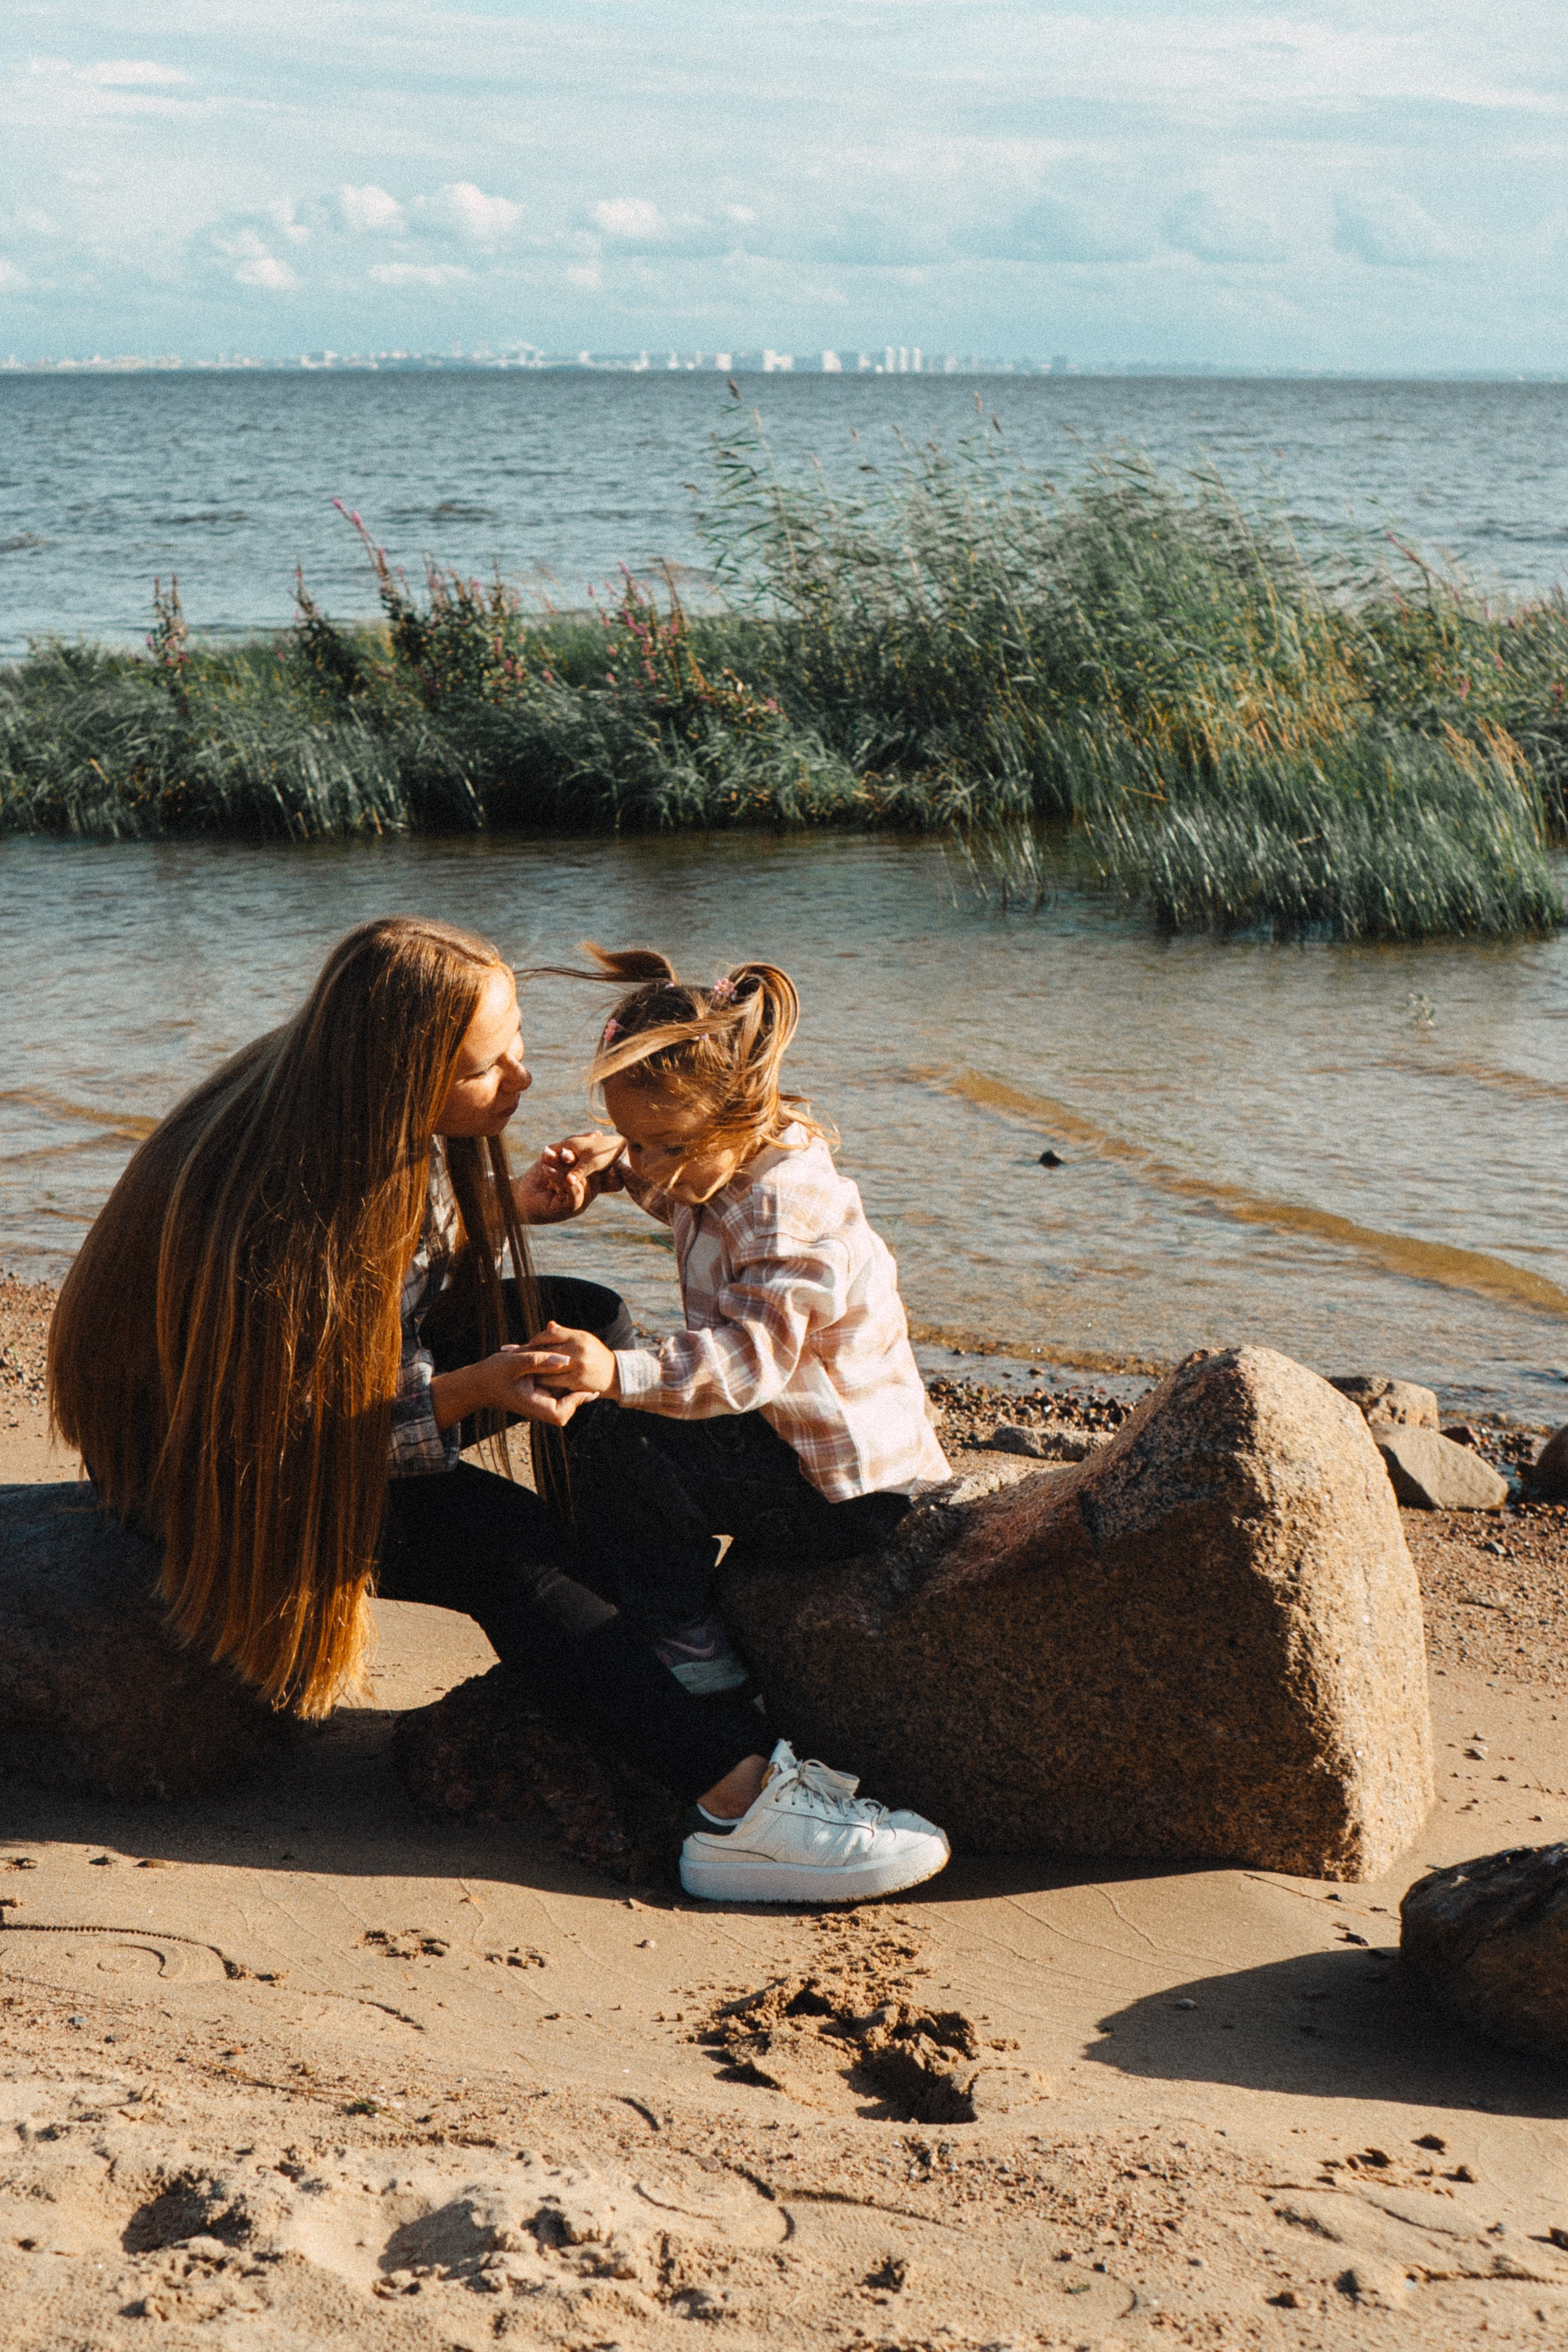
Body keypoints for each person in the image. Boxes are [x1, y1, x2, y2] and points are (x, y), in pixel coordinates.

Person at [46, 916, 948, 1907]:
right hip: (213, 1473)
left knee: (585, 1324)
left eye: (517, 1042)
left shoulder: (331, 1103)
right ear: (406, 1076)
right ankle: (739, 1803)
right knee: (507, 1545)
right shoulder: (305, 1203)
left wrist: (513, 1205)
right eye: (491, 1066)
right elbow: (289, 1433)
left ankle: (636, 1622)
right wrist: (469, 1393)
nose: (521, 1079)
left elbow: (394, 1275)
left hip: (297, 1414)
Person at [509, 944, 954, 1716]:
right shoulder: (727, 1160)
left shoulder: (784, 1208)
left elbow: (746, 1366)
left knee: (614, 1430)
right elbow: (690, 1199)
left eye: (665, 1144)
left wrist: (618, 1374)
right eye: (634, 1138)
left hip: (846, 1496)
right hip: (792, 1445)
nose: (651, 1165)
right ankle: (633, 1581)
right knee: (611, 1415)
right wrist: (612, 1164)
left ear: (740, 1110)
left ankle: (687, 1639)